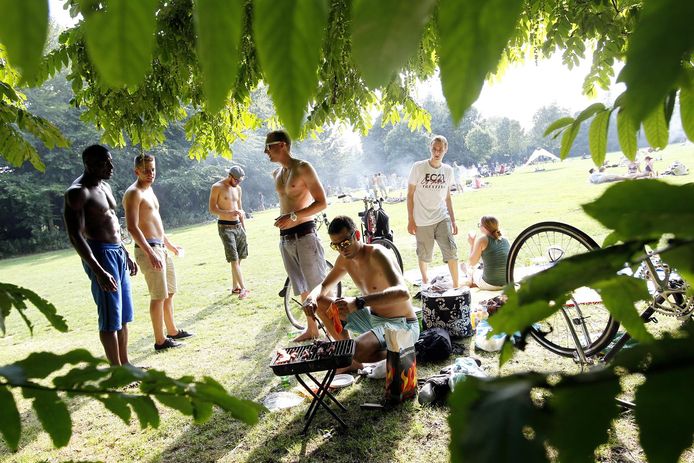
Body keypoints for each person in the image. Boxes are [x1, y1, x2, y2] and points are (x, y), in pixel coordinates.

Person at [303, 216, 418, 372]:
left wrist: (358, 302)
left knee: (356, 350)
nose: (342, 249)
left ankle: (406, 351)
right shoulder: (344, 260)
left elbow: (403, 293)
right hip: (373, 319)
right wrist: (311, 298)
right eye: (335, 246)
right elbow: (324, 286)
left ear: (357, 235)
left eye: (345, 243)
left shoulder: (377, 254)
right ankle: (350, 362)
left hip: (401, 324)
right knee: (321, 302)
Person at [64, 144, 137, 365]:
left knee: (123, 315)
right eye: (104, 162)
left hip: (116, 252)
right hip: (99, 254)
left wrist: (125, 250)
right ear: (88, 164)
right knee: (109, 317)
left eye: (110, 160)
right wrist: (99, 271)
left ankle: (125, 365)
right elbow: (75, 235)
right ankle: (116, 372)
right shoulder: (77, 192)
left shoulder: (105, 187)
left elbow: (111, 222)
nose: (110, 166)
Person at [123, 154, 193, 351]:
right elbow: (132, 227)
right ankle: (160, 340)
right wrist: (150, 253)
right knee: (158, 296)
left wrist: (169, 246)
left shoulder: (150, 190)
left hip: (160, 247)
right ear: (136, 171)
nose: (150, 173)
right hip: (148, 249)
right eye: (146, 170)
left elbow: (156, 224)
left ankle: (172, 331)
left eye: (153, 169)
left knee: (169, 292)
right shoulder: (133, 193)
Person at [264, 129, 329, 342]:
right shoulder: (277, 174)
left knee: (316, 286)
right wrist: (285, 220)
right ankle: (312, 329)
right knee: (300, 286)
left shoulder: (303, 168)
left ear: (282, 145)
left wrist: (293, 216)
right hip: (285, 238)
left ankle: (334, 330)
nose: (266, 152)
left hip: (304, 234)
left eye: (269, 147)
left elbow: (322, 202)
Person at [407, 135, 459, 288]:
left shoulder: (448, 171)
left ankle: (456, 286)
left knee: (451, 250)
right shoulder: (418, 167)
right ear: (430, 148)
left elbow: (448, 197)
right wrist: (411, 219)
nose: (437, 153)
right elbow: (410, 195)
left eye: (440, 150)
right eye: (434, 149)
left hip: (442, 217)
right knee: (424, 254)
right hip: (422, 219)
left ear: (445, 150)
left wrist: (453, 220)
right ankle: (424, 280)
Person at [209, 166, 249, 298]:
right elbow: (212, 209)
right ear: (230, 176)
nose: (238, 182)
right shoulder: (217, 187)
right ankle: (243, 288)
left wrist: (244, 227)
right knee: (234, 258)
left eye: (240, 181)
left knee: (240, 257)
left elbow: (240, 208)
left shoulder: (238, 189)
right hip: (225, 227)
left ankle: (235, 287)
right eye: (236, 180)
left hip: (238, 226)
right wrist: (229, 213)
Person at [460, 216, 510, 290]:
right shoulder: (505, 240)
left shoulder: (482, 240)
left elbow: (472, 262)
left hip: (490, 284)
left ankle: (469, 277)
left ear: (484, 227)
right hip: (507, 282)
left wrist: (472, 244)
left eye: (479, 225)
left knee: (471, 270)